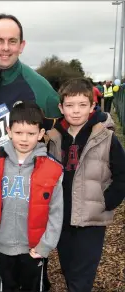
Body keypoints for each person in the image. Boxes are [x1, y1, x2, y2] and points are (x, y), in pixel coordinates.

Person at [0, 13, 61, 291]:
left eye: (12, 41)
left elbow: (60, 131)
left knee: (32, 276)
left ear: (22, 45)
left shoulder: (39, 86)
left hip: (25, 196)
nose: (5, 47)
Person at [47, 78, 125, 292]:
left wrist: (107, 201)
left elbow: (121, 174)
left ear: (92, 106)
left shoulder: (105, 137)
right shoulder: (54, 138)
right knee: (69, 268)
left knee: (83, 275)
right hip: (62, 216)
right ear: (61, 107)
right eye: (70, 105)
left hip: (91, 220)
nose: (75, 111)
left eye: (82, 105)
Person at [0, 101, 63, 292]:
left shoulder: (52, 169)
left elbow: (56, 211)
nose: (24, 138)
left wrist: (46, 245)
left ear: (41, 134)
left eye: (31, 133)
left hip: (34, 247)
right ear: (9, 131)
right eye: (19, 132)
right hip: (2, 244)